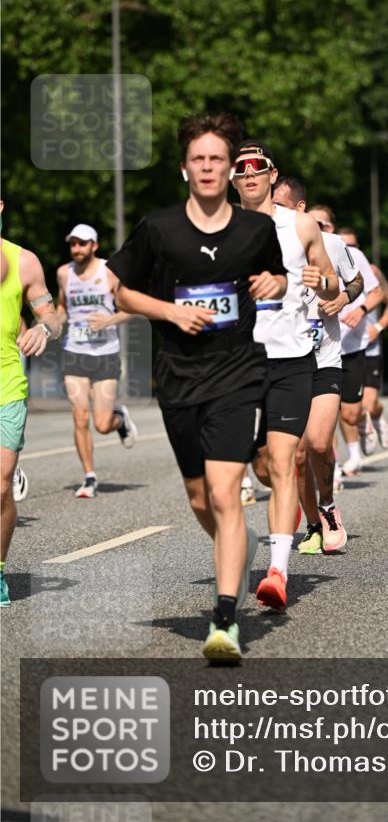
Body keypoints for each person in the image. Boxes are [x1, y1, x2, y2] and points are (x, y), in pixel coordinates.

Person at [107, 112, 288, 662]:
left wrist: (274, 281)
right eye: (198, 159)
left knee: (225, 492)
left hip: (238, 373)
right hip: (180, 377)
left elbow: (279, 276)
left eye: (217, 159)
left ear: (229, 167)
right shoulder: (158, 229)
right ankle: (239, 544)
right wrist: (170, 311)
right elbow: (120, 291)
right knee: (199, 496)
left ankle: (225, 619)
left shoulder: (255, 230)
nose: (208, 167)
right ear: (185, 167)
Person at [233, 146, 339, 605]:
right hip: (237, 363)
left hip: (291, 359)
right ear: (232, 178)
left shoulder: (301, 225)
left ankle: (277, 571)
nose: (249, 174)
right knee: (260, 466)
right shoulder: (218, 226)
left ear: (272, 175)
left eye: (257, 167)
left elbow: (332, 282)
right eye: (241, 168)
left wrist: (322, 283)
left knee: (283, 461)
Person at [270, 187, 363, 555]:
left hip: (324, 357)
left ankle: (327, 506)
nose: (273, 211)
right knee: (296, 455)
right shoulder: (264, 244)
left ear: (300, 207)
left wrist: (342, 298)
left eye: (279, 204)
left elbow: (356, 281)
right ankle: (312, 525)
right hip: (284, 360)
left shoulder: (332, 243)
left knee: (320, 443)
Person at [1, 198, 63, 606]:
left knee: (0, 485)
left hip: (6, 385)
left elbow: (52, 316)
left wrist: (43, 329)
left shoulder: (23, 261)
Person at [56, 224, 136, 498]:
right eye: (73, 244)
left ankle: (119, 419)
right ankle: (89, 477)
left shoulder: (109, 271)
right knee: (80, 415)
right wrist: (54, 321)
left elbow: (131, 307)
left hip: (105, 353)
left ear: (94, 245)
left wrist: (109, 320)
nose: (77, 248)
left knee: (101, 425)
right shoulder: (63, 273)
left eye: (82, 243)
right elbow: (62, 307)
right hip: (74, 351)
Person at [335, 229, 383, 476]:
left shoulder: (355, 257)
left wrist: (376, 324)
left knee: (356, 410)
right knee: (327, 413)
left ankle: (372, 419)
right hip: (318, 347)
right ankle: (338, 464)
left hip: (357, 343)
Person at [359, 261, 388, 452]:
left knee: (368, 404)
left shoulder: (371, 270)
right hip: (338, 348)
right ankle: (355, 447)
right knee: (344, 407)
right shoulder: (324, 266)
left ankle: (377, 417)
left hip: (369, 348)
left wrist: (378, 327)